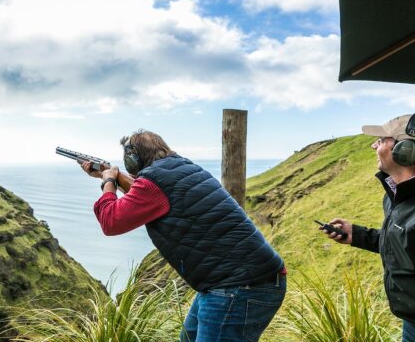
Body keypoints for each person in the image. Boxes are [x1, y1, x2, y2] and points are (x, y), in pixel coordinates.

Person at [81, 129, 286, 342]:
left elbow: (111, 221)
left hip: (239, 285)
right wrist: (108, 174)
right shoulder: (184, 168)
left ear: (133, 159)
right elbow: (146, 195)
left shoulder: (154, 182)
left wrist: (108, 182)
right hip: (242, 280)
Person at [321, 114, 415, 342]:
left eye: (382, 140)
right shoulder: (397, 195)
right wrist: (358, 235)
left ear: (405, 150)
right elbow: (405, 243)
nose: (374, 145)